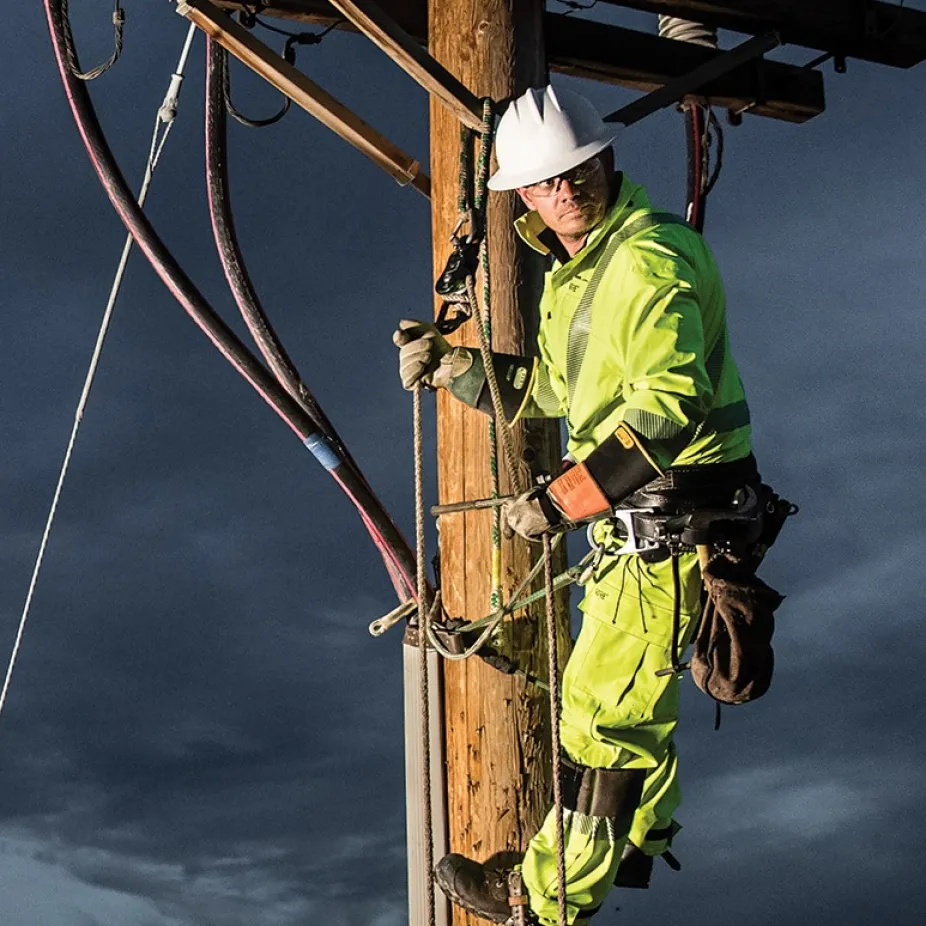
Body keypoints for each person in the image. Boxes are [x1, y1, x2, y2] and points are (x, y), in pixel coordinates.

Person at [394, 85, 757, 925]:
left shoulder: (647, 258)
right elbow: (558, 390)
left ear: (607, 160)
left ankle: (546, 899)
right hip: (645, 533)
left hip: (670, 527)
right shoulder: (578, 272)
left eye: (579, 170)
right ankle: (634, 841)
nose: (567, 189)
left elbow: (666, 408)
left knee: (601, 724)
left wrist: (557, 504)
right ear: (523, 194)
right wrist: (456, 368)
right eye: (548, 181)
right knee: (625, 700)